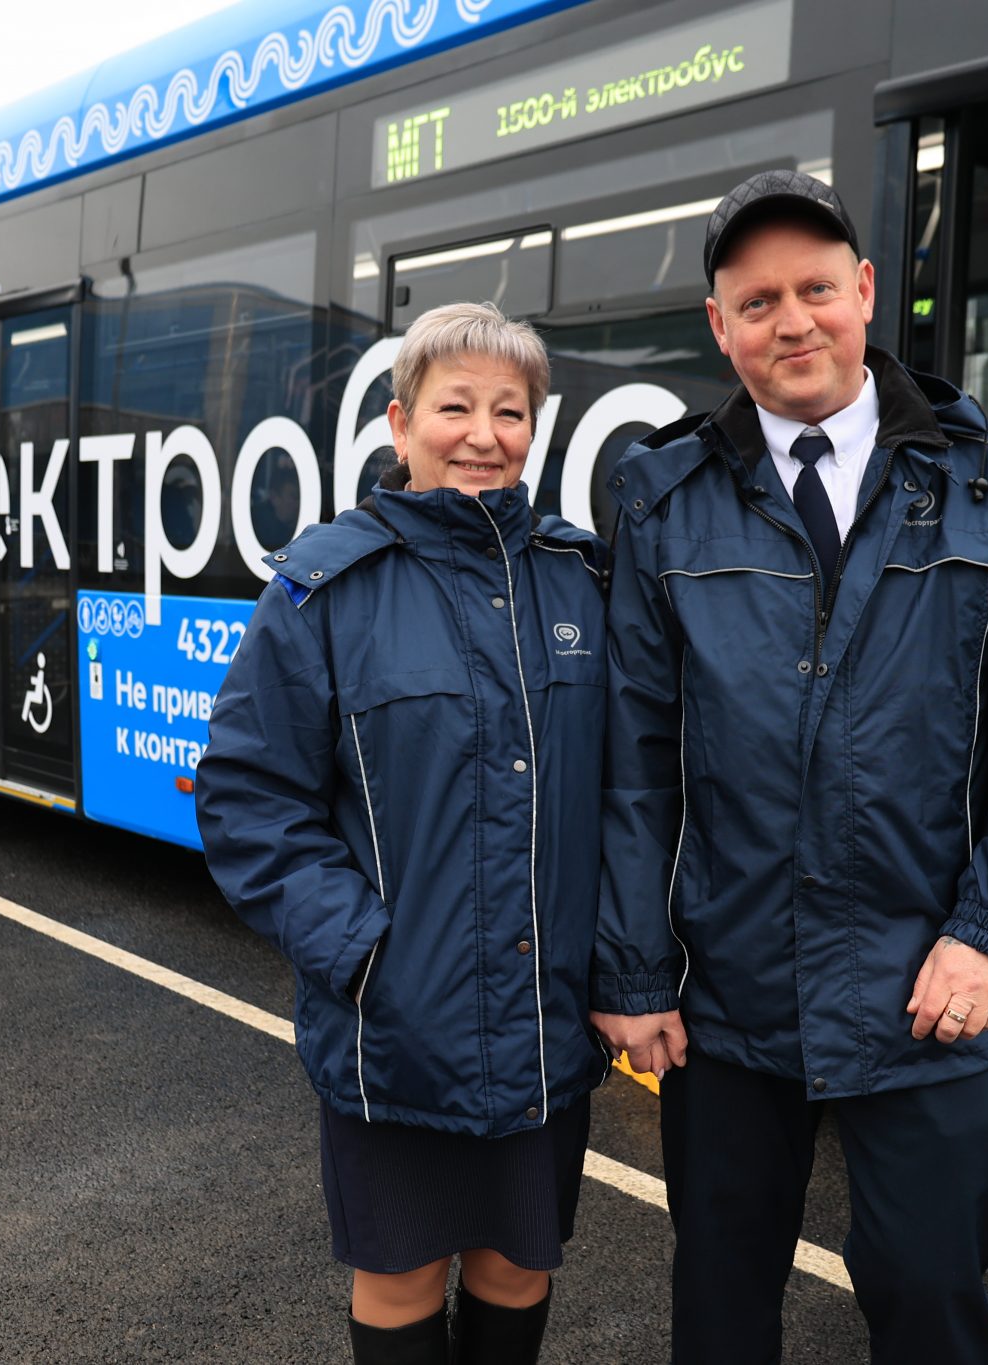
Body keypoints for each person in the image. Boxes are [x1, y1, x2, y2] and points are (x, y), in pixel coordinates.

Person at [589, 170, 988, 1364]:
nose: (792, 322)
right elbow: (631, 760)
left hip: (927, 983)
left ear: (864, 293)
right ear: (718, 327)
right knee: (719, 1310)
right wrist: (631, 965)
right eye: (757, 299)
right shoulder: (661, 499)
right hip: (723, 997)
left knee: (929, 1301)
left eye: (815, 289)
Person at [196, 301, 611, 1365]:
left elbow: (626, 789)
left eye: (509, 411)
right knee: (399, 1275)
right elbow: (248, 802)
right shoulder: (321, 589)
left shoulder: (581, 578)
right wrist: (364, 956)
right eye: (454, 406)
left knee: (519, 1264)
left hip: (539, 1019)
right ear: (398, 423)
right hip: (397, 1028)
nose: (483, 433)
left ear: (535, 429)